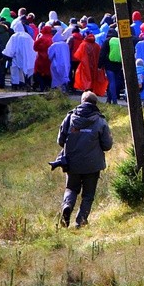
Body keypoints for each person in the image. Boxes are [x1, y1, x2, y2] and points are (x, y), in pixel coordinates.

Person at [57, 91, 113, 228]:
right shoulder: (100, 121)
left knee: (71, 188)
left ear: (82, 102)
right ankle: (80, 221)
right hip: (92, 165)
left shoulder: (70, 118)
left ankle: (67, 206)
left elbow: (60, 140)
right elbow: (107, 145)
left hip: (72, 163)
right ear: (95, 104)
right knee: (88, 195)